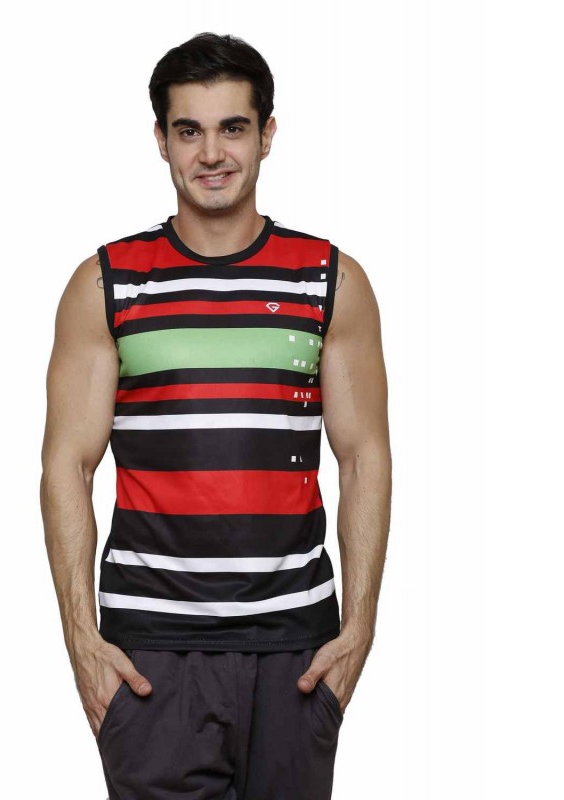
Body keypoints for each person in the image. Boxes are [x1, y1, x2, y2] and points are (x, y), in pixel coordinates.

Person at [40, 31, 392, 800]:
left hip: (296, 653)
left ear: (266, 133)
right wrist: (81, 639)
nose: (211, 153)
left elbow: (364, 455)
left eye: (232, 127)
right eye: (188, 130)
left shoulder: (330, 279)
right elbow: (67, 463)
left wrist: (360, 627)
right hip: (150, 658)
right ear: (161, 140)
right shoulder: (106, 283)